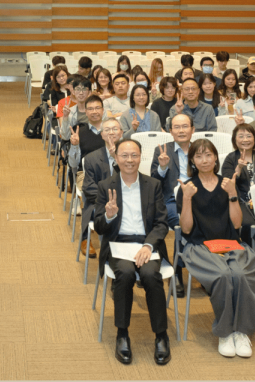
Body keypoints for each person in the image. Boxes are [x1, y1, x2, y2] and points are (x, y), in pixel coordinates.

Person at [177, 139, 255, 358]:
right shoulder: (188, 187)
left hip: (230, 244)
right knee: (223, 275)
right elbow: (185, 229)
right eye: (198, 156)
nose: (204, 160)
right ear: (192, 161)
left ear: (216, 158)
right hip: (199, 247)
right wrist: (186, 199)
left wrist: (232, 194)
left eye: (208, 155)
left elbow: (236, 224)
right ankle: (225, 332)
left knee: (241, 274)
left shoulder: (227, 183)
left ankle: (242, 332)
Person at [94, 139, 172, 366]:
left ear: (141, 157)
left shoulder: (152, 185)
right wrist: (108, 215)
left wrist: (149, 246)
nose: (129, 160)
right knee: (126, 274)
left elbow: (161, 224)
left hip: (146, 243)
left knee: (150, 275)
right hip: (119, 244)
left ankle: (161, 335)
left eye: (134, 155)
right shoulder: (105, 186)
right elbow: (99, 226)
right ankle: (122, 333)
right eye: (124, 156)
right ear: (116, 158)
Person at [150, 112, 195, 296]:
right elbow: (153, 181)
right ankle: (176, 271)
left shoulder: (199, 149)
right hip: (170, 200)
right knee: (180, 223)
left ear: (193, 130)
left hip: (196, 198)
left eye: (185, 126)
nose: (181, 130)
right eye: (177, 127)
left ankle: (203, 269)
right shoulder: (162, 149)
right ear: (170, 131)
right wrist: (162, 167)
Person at [81, 119, 123, 259]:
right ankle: (109, 255)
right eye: (107, 130)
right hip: (99, 203)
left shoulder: (131, 155)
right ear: (102, 135)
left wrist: (117, 161)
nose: (111, 132)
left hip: (125, 202)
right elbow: (89, 188)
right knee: (107, 214)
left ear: (122, 133)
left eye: (115, 129)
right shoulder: (91, 158)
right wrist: (106, 201)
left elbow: (134, 181)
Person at [221, 123, 255, 201]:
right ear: (234, 140)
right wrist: (239, 168)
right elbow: (227, 183)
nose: (245, 140)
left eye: (249, 136)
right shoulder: (230, 158)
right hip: (240, 201)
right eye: (241, 136)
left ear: (254, 139)